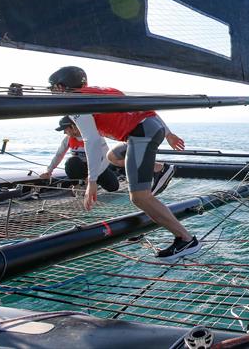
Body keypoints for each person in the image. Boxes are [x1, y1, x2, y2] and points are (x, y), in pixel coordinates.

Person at [48, 66, 200, 261]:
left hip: (141, 134)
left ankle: (186, 239)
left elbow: (92, 141)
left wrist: (92, 181)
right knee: (113, 157)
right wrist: (168, 132)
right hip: (148, 128)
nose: (53, 92)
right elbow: (143, 108)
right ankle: (160, 170)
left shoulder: (76, 102)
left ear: (62, 87)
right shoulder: (100, 90)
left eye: (53, 88)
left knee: (139, 197)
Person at [40, 116, 120, 192]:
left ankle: (94, 183)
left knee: (113, 187)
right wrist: (49, 171)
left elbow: (107, 158)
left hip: (95, 169)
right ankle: (77, 185)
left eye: (65, 129)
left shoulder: (95, 137)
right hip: (80, 168)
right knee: (71, 162)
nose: (64, 132)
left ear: (73, 127)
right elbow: (59, 155)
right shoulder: (67, 139)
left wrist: (94, 176)